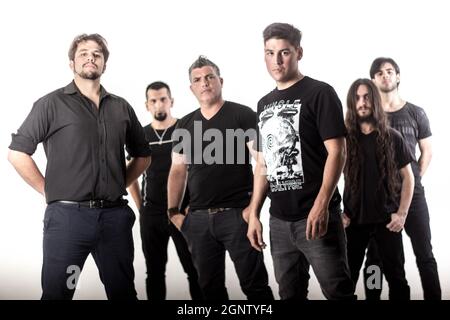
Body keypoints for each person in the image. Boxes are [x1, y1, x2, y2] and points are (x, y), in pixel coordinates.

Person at [7, 34, 151, 300]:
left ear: (104, 63)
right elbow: (17, 153)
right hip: (68, 221)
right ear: (72, 63)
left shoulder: (121, 107)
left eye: (97, 54)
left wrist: (118, 182)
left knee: (123, 293)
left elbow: (142, 156)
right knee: (59, 293)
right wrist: (48, 190)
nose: (90, 58)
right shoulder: (51, 104)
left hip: (113, 219)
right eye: (83, 53)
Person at [246, 22, 355, 300]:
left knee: (338, 293)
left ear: (299, 52)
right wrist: (254, 214)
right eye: (270, 53)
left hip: (316, 216)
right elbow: (263, 165)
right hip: (279, 221)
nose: (276, 60)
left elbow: (337, 152)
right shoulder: (263, 104)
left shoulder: (320, 93)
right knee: (289, 295)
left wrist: (321, 206)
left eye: (284, 52)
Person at [167, 56, 273, 301]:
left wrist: (253, 211)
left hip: (237, 216)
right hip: (198, 220)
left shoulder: (242, 115)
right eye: (197, 80)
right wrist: (173, 212)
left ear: (220, 81)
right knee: (209, 290)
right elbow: (177, 171)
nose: (204, 83)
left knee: (255, 287)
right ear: (191, 88)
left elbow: (262, 162)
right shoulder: (184, 124)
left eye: (209, 77)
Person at [362, 57, 441, 300]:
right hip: (378, 199)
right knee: (374, 259)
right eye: (379, 73)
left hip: (413, 197)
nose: (385, 76)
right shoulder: (367, 116)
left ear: (398, 76)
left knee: (425, 254)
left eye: (389, 71)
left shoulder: (415, 112)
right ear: (373, 81)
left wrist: (411, 181)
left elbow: (426, 150)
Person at [128, 81, 202, 300]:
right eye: (153, 101)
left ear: (171, 101)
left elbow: (199, 170)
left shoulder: (185, 128)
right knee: (154, 272)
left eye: (163, 99)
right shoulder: (140, 135)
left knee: (194, 270)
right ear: (147, 105)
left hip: (183, 211)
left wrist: (192, 205)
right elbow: (130, 174)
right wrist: (142, 207)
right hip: (151, 214)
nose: (159, 105)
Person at [342, 78, 414, 300]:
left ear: (374, 100)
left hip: (387, 222)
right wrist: (336, 212)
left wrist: (401, 214)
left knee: (396, 279)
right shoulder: (343, 140)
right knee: (346, 281)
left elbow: (408, 178)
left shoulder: (393, 137)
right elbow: (325, 177)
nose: (362, 102)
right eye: (357, 98)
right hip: (354, 222)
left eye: (366, 97)